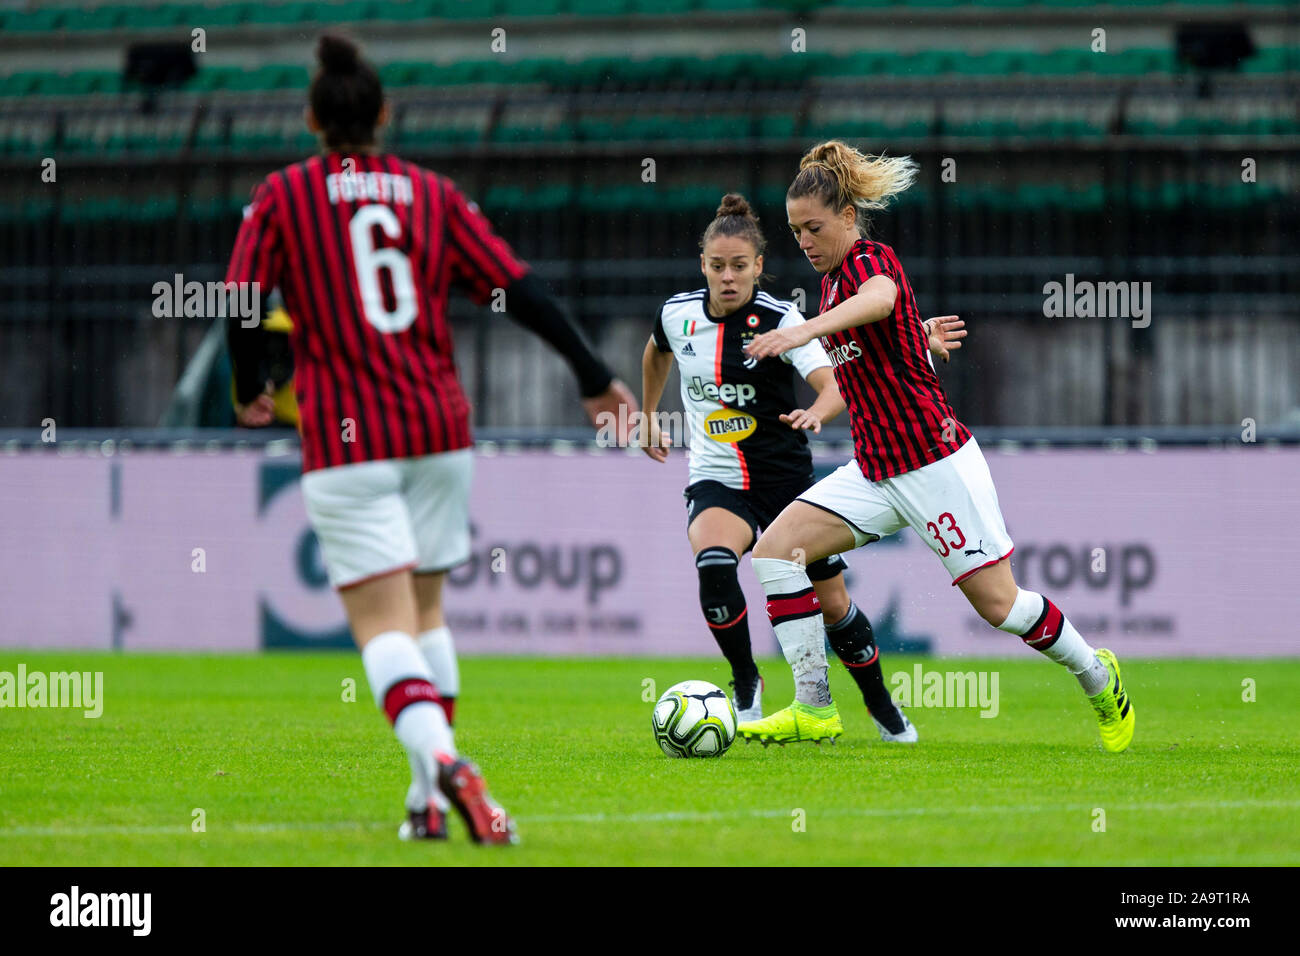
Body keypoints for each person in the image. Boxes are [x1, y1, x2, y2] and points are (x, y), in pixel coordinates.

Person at [225, 34, 637, 842]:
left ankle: (448, 768)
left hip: (348, 438)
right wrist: (593, 376)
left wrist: (253, 389)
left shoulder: (283, 196)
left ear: (313, 119)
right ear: (384, 115)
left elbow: (242, 297)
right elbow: (520, 290)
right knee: (428, 615)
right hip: (438, 428)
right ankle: (423, 809)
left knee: (381, 629)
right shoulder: (431, 194)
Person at [739, 141, 1134, 752]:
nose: (805, 241)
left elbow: (881, 300)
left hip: (935, 463)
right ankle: (814, 706)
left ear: (847, 216)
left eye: (814, 227)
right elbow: (865, 367)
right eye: (795, 232)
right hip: (875, 470)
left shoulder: (872, 260)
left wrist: (803, 331)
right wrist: (891, 359)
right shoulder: (827, 290)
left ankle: (1096, 674)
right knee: (775, 553)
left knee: (1001, 608)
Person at [640, 192, 966, 742]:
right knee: (715, 562)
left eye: (739, 266)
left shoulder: (782, 320)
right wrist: (648, 415)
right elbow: (656, 352)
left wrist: (817, 411)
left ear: (758, 267)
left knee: (835, 606)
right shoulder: (677, 314)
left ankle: (884, 709)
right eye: (717, 266)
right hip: (718, 478)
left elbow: (836, 380)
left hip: (786, 482)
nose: (727, 277)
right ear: (703, 266)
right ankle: (747, 686)